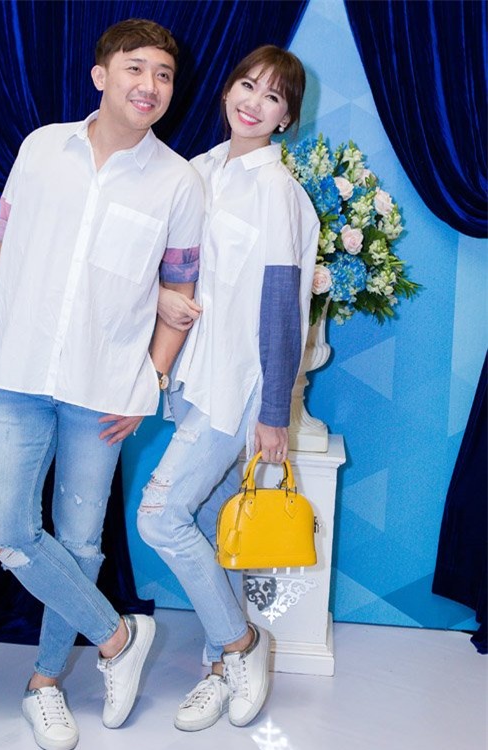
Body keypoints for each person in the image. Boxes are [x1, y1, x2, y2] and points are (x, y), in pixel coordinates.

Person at [0, 18, 203, 750]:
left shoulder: (178, 182)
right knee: (7, 532)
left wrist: (148, 382)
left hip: (105, 390)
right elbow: (0, 257)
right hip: (18, 373)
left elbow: (180, 295)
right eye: (136, 68)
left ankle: (44, 684)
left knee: (79, 542)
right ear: (101, 75)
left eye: (163, 74)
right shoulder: (41, 149)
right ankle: (118, 637)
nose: (150, 85)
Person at [138, 45, 320, 732]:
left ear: (286, 118)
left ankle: (243, 645)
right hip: (191, 375)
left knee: (160, 517)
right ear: (226, 91)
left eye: (273, 97)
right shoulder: (198, 170)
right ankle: (219, 668)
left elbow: (281, 308)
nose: (254, 102)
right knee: (214, 527)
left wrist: (273, 411)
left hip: (237, 384)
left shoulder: (277, 191)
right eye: (247, 85)